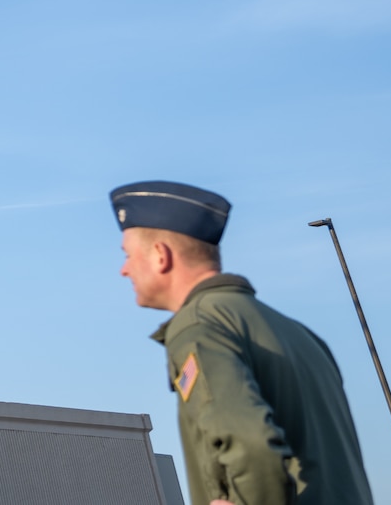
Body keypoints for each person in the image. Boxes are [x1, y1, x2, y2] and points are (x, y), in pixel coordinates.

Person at [113, 180, 373, 505]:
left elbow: (249, 442)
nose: (124, 270)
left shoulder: (198, 326)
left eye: (127, 256)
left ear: (160, 255)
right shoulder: (299, 334)